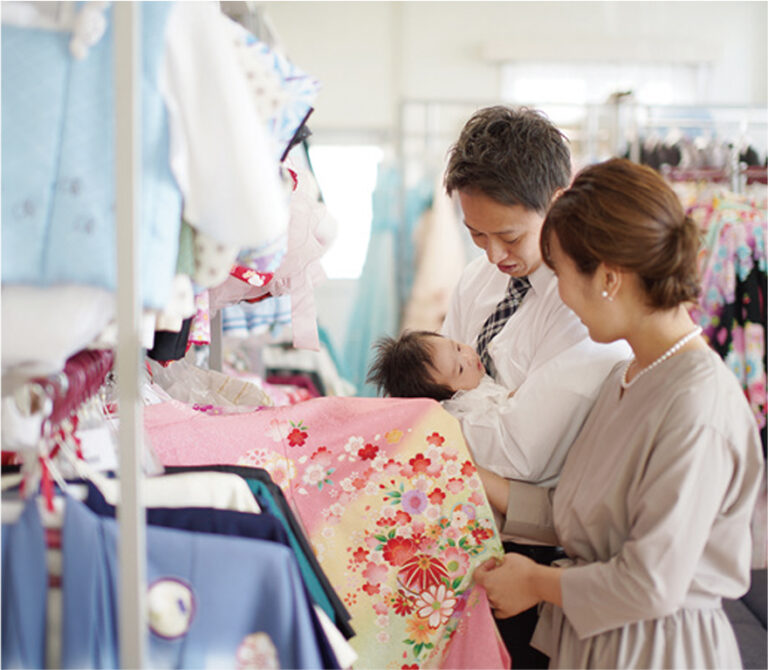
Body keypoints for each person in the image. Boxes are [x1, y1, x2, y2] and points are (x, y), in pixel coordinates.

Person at [473, 157, 764, 669]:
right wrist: (470, 475)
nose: (561, 296)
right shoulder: (626, 376)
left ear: (608, 277)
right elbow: (579, 513)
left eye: (561, 275)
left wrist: (537, 582)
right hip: (599, 642)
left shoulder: (697, 404)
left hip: (659, 652)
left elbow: (651, 581)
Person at [442, 105, 629, 667]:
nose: (493, 255)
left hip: (536, 549)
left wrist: (442, 425)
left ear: (558, 199)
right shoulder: (478, 278)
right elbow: (435, 385)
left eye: (509, 235)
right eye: (476, 235)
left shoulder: (585, 304)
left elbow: (521, 453)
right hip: (465, 525)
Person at [366, 329, 514, 406]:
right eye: (460, 369)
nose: (468, 358)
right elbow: (509, 404)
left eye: (458, 348)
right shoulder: (472, 402)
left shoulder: (472, 383)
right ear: (450, 396)